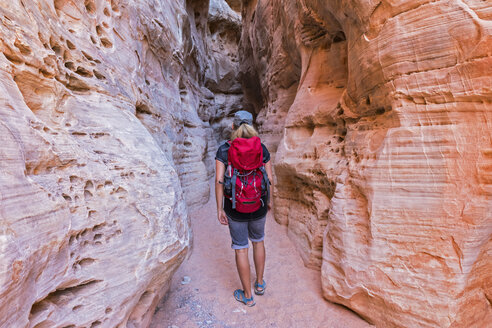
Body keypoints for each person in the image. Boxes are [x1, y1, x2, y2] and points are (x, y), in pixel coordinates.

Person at [215, 110, 274, 307]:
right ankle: (259, 285)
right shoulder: (262, 148)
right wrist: (270, 201)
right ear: (252, 126)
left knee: (241, 248)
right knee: (258, 241)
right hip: (259, 203)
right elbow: (269, 179)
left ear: (233, 126)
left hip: (234, 206)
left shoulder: (224, 150)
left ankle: (247, 296)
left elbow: (219, 181)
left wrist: (220, 209)